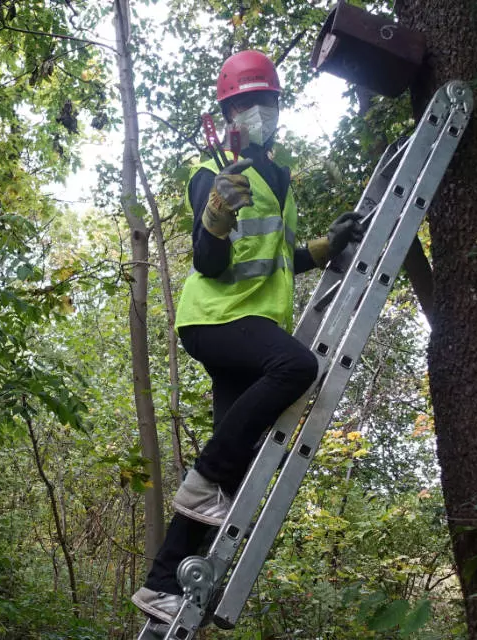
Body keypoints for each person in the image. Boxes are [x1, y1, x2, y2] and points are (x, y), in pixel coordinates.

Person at [131, 50, 363, 624]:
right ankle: (204, 479)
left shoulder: (277, 179)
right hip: (215, 320)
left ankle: (161, 585)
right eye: (247, 104)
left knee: (234, 460)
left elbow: (277, 260)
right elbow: (208, 262)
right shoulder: (210, 174)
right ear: (227, 116)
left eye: (267, 102)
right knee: (297, 368)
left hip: (249, 325)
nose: (260, 113)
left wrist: (324, 249)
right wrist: (213, 215)